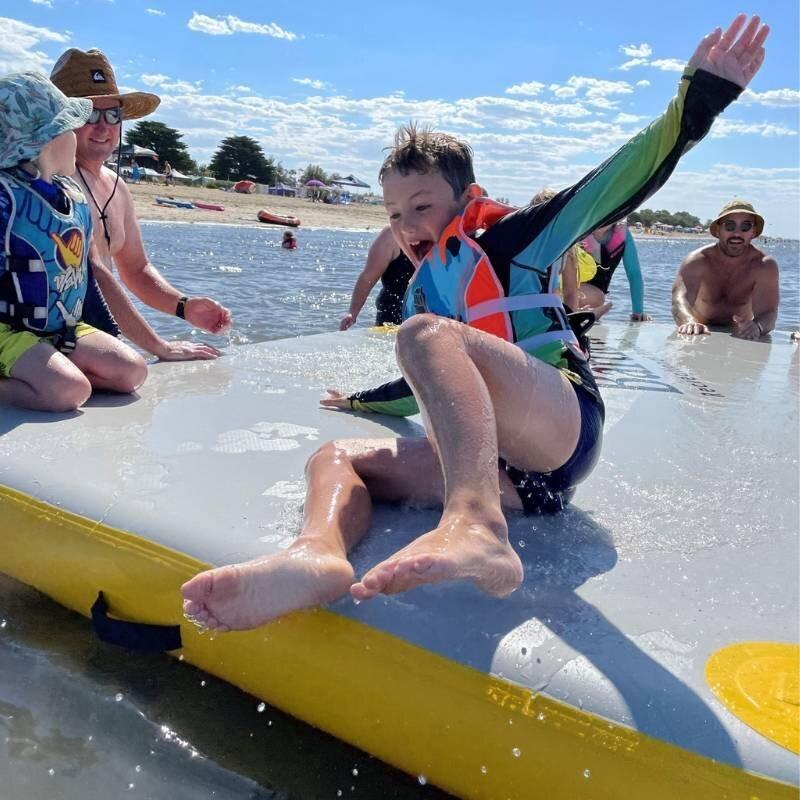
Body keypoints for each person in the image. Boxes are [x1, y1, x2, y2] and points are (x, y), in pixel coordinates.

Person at [182, 15, 769, 631]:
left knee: (424, 337)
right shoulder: (425, 290)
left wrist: (699, 98)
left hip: (561, 428)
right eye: (395, 213)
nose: (407, 226)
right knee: (337, 457)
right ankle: (318, 554)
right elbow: (431, 387)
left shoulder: (515, 242)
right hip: (510, 478)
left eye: (423, 207)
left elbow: (616, 181)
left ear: (467, 201)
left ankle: (475, 525)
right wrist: (363, 403)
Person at [50, 49, 231, 358]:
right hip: (53, 334)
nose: (103, 126)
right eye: (89, 113)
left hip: (95, 331)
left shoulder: (117, 187)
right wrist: (158, 346)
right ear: (62, 119)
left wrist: (184, 306)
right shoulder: (54, 180)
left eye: (113, 115)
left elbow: (135, 268)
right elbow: (94, 273)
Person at [0, 72, 147, 411]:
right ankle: (46, 379)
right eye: (71, 126)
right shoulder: (6, 199)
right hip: (7, 332)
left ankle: (49, 372)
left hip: (59, 328)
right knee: (68, 392)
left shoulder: (71, 197)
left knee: (131, 373)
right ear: (43, 140)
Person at [672, 199, 778, 338]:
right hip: (699, 332)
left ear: (753, 232)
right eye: (729, 226)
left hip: (739, 336)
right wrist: (688, 321)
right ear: (718, 230)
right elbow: (679, 299)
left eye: (745, 227)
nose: (737, 233)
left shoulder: (764, 265)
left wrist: (757, 327)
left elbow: (769, 313)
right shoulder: (697, 261)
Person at [340, 225, 415, 329]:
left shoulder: (441, 237)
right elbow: (368, 278)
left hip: (434, 318)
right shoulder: (392, 235)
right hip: (391, 319)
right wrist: (352, 313)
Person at [578, 220, 651, 321]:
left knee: (598, 298)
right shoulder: (578, 229)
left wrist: (638, 311)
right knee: (598, 297)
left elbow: (634, 274)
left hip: (594, 297)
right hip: (567, 289)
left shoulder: (622, 234)